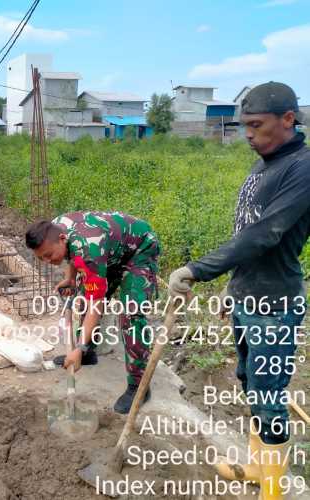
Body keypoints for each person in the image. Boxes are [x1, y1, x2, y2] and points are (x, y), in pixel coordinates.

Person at [168, 82, 309, 499]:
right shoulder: (262, 164)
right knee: (250, 381)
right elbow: (244, 229)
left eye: (256, 125)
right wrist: (233, 285)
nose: (248, 133)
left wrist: (198, 269)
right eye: (244, 125)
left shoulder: (302, 168)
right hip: (249, 296)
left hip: (274, 304)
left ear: (288, 119)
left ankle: (272, 490)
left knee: (269, 394)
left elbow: (266, 235)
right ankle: (255, 466)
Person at [25, 211, 161, 414]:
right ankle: (87, 352)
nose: (46, 261)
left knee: (131, 314)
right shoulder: (55, 228)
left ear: (62, 239)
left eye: (48, 255)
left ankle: (139, 386)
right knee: (84, 294)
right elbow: (73, 254)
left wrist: (76, 348)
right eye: (41, 258)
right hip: (110, 251)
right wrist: (71, 278)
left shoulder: (88, 249)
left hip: (139, 251)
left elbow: (95, 304)